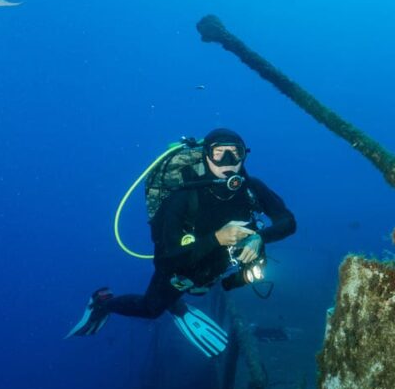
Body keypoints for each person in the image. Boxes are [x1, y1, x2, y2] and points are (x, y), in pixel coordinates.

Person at [67, 128, 296, 357]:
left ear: (243, 156)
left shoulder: (251, 188)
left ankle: (187, 296)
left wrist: (259, 237)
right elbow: (166, 262)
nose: (227, 161)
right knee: (151, 308)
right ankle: (103, 303)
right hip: (183, 268)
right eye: (219, 153)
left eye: (234, 153)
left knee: (206, 288)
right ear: (206, 155)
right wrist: (217, 238)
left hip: (218, 266)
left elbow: (288, 222)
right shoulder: (183, 198)